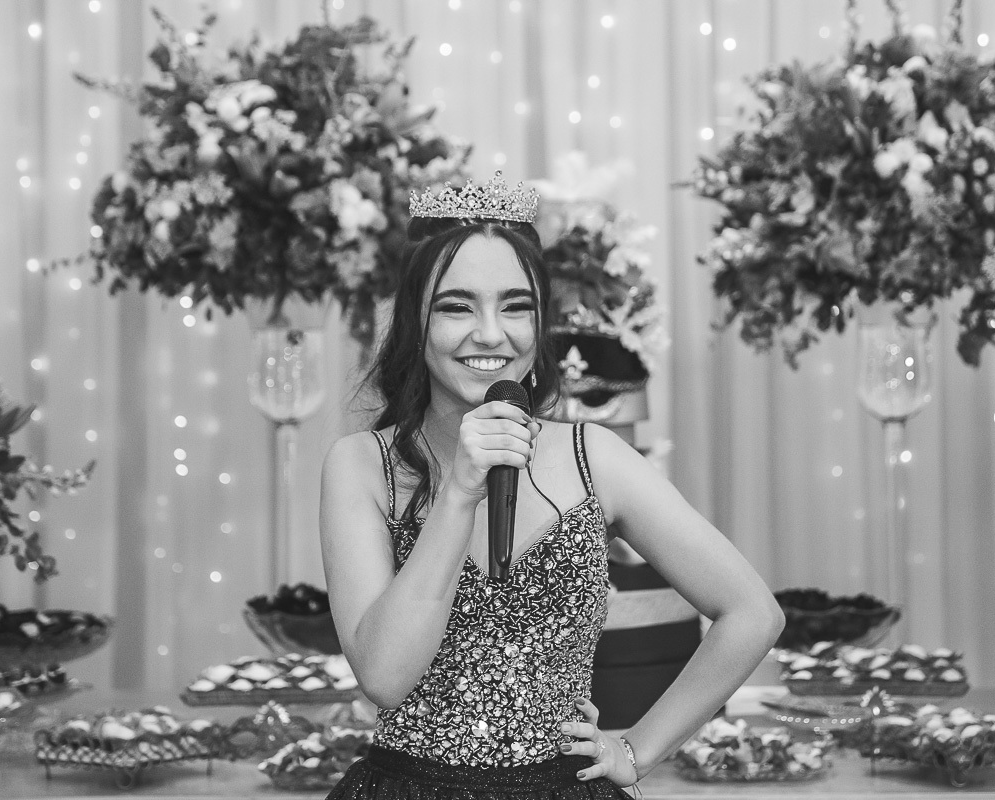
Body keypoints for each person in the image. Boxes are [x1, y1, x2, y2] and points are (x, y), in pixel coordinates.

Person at [319, 172, 784, 799]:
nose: (491, 333)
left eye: (516, 306)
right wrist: (458, 494)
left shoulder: (595, 456)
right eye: (457, 307)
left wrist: (636, 750)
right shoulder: (360, 465)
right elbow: (383, 677)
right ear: (414, 320)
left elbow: (753, 613)